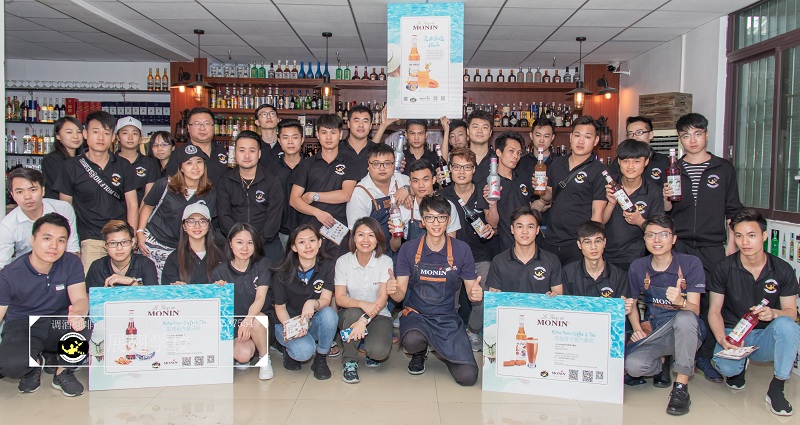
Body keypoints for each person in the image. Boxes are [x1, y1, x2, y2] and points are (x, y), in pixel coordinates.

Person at [663, 112, 743, 382]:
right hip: (681, 245)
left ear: (706, 135)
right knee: (677, 299)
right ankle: (676, 355)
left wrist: (732, 245)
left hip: (713, 245)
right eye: (686, 135)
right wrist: (665, 199)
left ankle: (706, 357)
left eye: (697, 134)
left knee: (710, 301)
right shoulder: (673, 168)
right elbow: (665, 211)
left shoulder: (723, 168)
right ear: (680, 139)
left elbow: (733, 209)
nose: (692, 140)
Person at [707, 208, 799, 416]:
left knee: (787, 325)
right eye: (739, 236)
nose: (745, 242)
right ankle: (738, 369)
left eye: (751, 235)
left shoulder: (782, 269)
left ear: (764, 236)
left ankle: (777, 388)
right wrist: (722, 339)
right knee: (727, 368)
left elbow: (791, 312)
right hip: (734, 334)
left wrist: (774, 313)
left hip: (765, 336)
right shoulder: (723, 268)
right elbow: (714, 310)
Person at [389, 195, 483, 385]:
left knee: (468, 377)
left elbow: (471, 290)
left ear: (448, 220)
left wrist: (475, 295)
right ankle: (419, 351)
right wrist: (393, 291)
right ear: (422, 221)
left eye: (441, 217)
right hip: (417, 315)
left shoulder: (461, 249)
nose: (436, 223)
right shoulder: (409, 249)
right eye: (430, 218)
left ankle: (446, 349)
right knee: (412, 340)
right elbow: (399, 295)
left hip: (446, 317)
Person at [0, 212, 89, 397]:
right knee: (11, 366)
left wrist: (78, 313)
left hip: (57, 320)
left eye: (61, 240)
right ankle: (34, 366)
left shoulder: (71, 263)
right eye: (47, 238)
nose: (53, 246)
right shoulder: (10, 274)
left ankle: (62, 371)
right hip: (23, 324)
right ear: (33, 240)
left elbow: (80, 299)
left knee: (84, 324)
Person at [625, 214, 706, 416]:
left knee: (684, 318)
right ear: (644, 239)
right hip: (656, 331)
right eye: (651, 235)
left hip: (688, 331)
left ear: (674, 238)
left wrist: (681, 302)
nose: (657, 240)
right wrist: (637, 329)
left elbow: (695, 309)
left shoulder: (691, 263)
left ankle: (681, 388)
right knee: (633, 366)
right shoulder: (638, 267)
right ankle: (662, 361)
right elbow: (631, 304)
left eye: (663, 234)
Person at [54, 110, 139, 272]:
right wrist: (70, 242)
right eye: (95, 132)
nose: (101, 137)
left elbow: (132, 204)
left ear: (113, 137)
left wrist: (131, 237)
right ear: (85, 134)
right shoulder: (71, 166)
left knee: (123, 283)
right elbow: (65, 208)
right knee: (90, 284)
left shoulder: (123, 165)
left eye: (106, 133)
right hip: (89, 239)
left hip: (119, 238)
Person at [534, 116, 608, 265]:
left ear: (595, 140)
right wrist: (541, 189)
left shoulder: (599, 171)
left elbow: (597, 214)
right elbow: (549, 197)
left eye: (587, 137)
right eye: (577, 135)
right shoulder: (556, 164)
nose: (581, 141)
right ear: (571, 137)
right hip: (552, 239)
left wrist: (590, 244)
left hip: (578, 243)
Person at [138, 144, 217, 280]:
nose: (195, 167)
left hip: (183, 249)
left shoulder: (209, 192)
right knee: (152, 286)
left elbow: (207, 222)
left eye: (199, 162)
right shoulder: (165, 185)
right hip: (156, 242)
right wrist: (139, 232)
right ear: (181, 167)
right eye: (189, 163)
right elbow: (148, 206)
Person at [270, 225, 338, 380]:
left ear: (319, 243)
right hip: (286, 322)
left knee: (329, 314)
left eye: (312, 240)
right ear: (294, 247)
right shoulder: (282, 270)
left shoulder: (327, 265)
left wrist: (313, 303)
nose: (308, 246)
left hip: (311, 321)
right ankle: (288, 349)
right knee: (303, 352)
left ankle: (320, 358)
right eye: (301, 242)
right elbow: (280, 308)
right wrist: (293, 328)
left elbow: (326, 299)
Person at [211, 223, 274, 381]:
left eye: (250, 242)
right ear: (230, 244)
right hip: (236, 326)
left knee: (258, 319)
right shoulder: (219, 271)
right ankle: (244, 354)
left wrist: (247, 320)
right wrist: (217, 291)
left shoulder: (263, 264)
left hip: (258, 323)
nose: (244, 248)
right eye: (239, 242)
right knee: (243, 355)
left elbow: (260, 298)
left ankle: (264, 359)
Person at [335, 217, 394, 383]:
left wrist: (365, 319)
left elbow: (382, 299)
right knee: (354, 314)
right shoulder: (343, 261)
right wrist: (362, 304)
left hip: (379, 314)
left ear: (378, 239)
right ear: (353, 238)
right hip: (350, 313)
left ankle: (369, 347)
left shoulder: (385, 261)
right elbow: (340, 298)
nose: (365, 240)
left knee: (378, 352)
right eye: (361, 235)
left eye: (371, 235)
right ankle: (349, 361)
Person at [289, 114, 357, 256]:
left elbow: (345, 195)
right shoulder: (307, 164)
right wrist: (318, 213)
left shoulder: (349, 162)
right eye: (324, 132)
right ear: (317, 134)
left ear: (340, 135)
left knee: (337, 268)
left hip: (338, 231)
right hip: (310, 231)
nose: (328, 137)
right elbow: (294, 200)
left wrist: (314, 196)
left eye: (333, 132)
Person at [217, 130, 285, 263]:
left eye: (252, 151)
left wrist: (256, 242)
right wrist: (241, 241)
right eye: (242, 150)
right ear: (235, 153)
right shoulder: (225, 181)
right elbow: (224, 215)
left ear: (259, 154)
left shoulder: (271, 180)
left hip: (266, 241)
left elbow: (274, 216)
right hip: (235, 242)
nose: (247, 155)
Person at [601, 139, 664, 271]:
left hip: (635, 257)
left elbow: (658, 231)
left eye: (636, 161)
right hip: (604, 254)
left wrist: (639, 221)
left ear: (646, 162)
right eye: (625, 161)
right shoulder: (608, 185)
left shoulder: (653, 191)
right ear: (619, 162)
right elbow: (598, 222)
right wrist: (611, 204)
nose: (630, 166)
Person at [0, 168, 79, 268]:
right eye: (20, 192)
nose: (27, 197)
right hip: (25, 270)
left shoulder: (63, 209)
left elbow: (72, 249)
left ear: (43, 190)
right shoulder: (8, 224)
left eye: (33, 190)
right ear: (13, 196)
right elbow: (2, 263)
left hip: (60, 266)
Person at [346, 142, 410, 255]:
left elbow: (425, 188)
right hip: (373, 254)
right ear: (368, 165)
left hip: (405, 250)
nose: (382, 168)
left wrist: (408, 189)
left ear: (394, 164)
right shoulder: (360, 193)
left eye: (387, 163)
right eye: (376, 164)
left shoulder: (403, 180)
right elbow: (356, 234)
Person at [486, 206, 563, 295]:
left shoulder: (552, 260)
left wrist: (553, 297)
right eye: (520, 226)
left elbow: (558, 295)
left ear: (537, 230)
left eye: (530, 227)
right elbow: (493, 296)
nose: (525, 231)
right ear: (512, 229)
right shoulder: (499, 261)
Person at [478, 131, 533, 252]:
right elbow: (493, 224)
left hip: (529, 243)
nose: (516, 156)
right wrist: (493, 205)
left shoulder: (523, 177)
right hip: (505, 246)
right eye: (511, 151)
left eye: (519, 153)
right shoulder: (487, 183)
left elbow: (530, 206)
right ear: (498, 152)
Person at [563, 221, 631, 302]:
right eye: (587, 242)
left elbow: (620, 307)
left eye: (598, 241)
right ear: (579, 245)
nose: (593, 247)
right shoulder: (568, 272)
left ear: (604, 242)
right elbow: (565, 305)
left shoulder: (619, 276)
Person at [161, 203, 224, 285]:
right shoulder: (174, 259)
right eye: (191, 221)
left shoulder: (222, 255)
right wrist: (174, 289)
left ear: (209, 226)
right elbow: (166, 289)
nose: (197, 226)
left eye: (202, 221)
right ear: (184, 226)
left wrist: (223, 285)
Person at [399, 160, 461, 243]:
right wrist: (396, 234)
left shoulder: (447, 206)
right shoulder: (405, 207)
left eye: (425, 180)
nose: (421, 185)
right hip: (412, 251)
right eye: (416, 181)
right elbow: (395, 247)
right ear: (410, 182)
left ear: (433, 180)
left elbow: (451, 243)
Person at [164, 107, 229, 184]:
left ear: (214, 127)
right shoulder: (179, 155)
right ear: (188, 128)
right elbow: (171, 185)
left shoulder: (222, 151)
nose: (202, 128)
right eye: (196, 124)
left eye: (207, 123)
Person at [86, 220, 158, 288]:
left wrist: (131, 282)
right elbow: (89, 295)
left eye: (124, 242)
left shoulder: (145, 264)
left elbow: (154, 294)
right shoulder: (97, 267)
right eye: (113, 243)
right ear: (105, 245)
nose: (119, 248)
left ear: (132, 242)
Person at [609, 116, 669, 187]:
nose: (634, 137)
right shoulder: (621, 160)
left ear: (651, 135)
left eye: (639, 132)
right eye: (630, 133)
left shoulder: (663, 161)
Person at [271, 119, 304, 250]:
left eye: (294, 137)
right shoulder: (270, 169)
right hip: (277, 232)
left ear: (302, 140)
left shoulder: (311, 167)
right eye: (285, 138)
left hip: (306, 231)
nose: (290, 142)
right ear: (279, 141)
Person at [115, 116, 159, 203]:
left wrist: (140, 212)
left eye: (135, 133)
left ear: (140, 138)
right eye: (125, 133)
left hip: (142, 210)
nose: (130, 137)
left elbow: (148, 197)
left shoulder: (148, 163)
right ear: (117, 137)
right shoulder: (111, 162)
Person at [43, 116, 84, 200]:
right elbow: (64, 187)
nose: (75, 136)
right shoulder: (52, 159)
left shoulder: (83, 158)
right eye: (69, 132)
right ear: (58, 136)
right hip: (59, 205)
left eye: (79, 132)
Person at [339, 104, 377, 180]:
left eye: (365, 121)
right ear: (348, 124)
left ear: (370, 126)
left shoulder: (377, 151)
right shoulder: (336, 149)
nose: (361, 125)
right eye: (356, 121)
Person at [466, 110, 495, 185]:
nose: (480, 131)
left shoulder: (498, 159)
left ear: (490, 133)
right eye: (475, 127)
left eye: (484, 127)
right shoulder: (459, 158)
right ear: (468, 131)